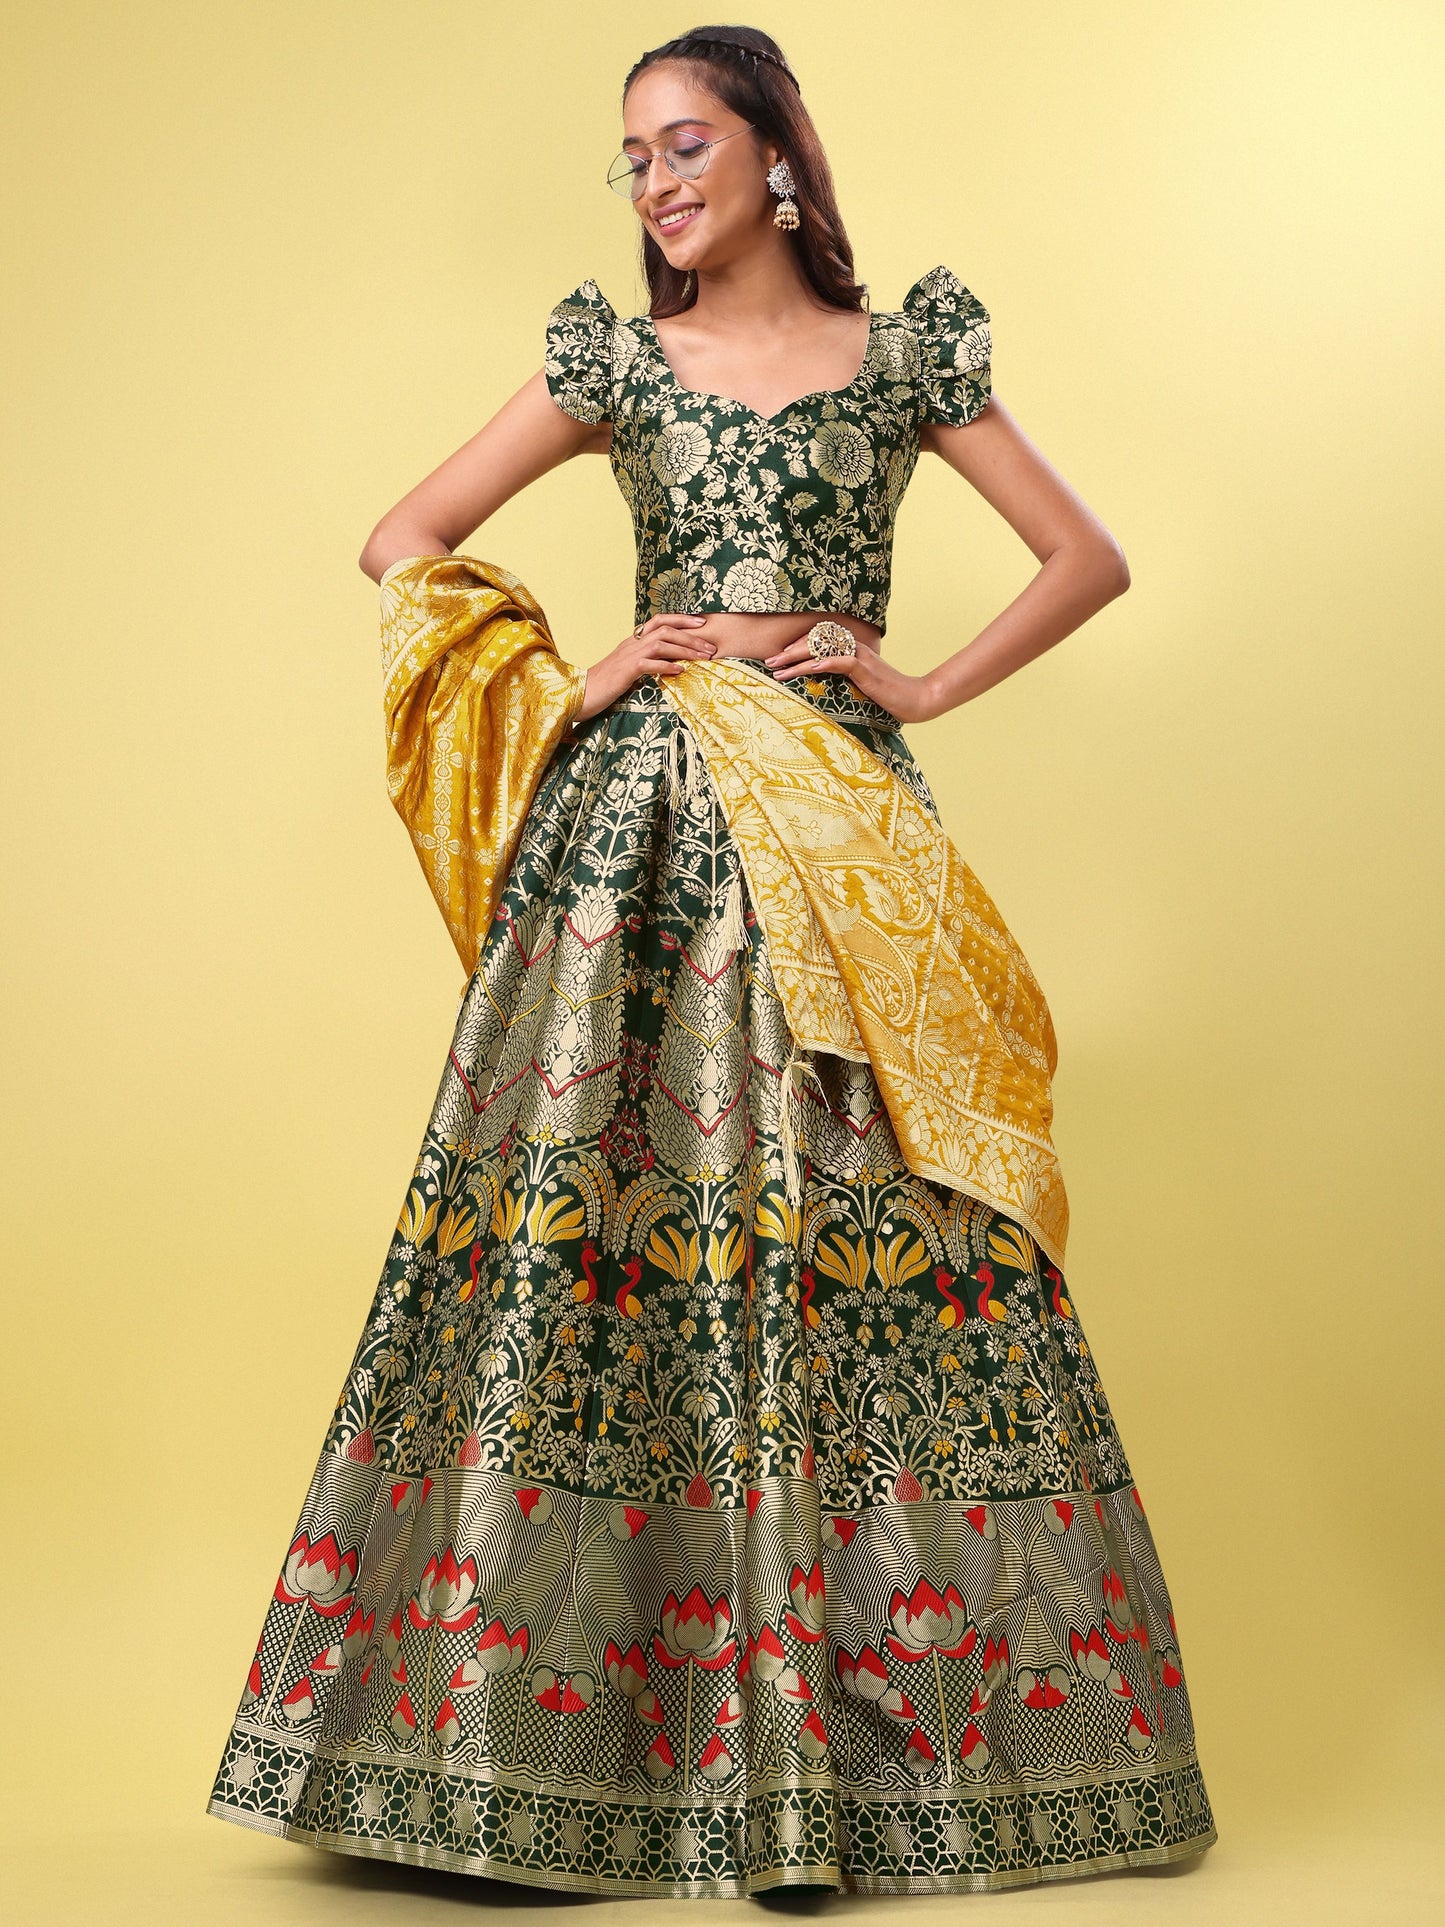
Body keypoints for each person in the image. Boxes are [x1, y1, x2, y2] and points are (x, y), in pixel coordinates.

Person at [206, 23, 1216, 1898]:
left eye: (685, 144)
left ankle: (885, 1775)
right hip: (643, 833)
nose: (656, 181)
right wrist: (578, 670)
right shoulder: (620, 361)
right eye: (635, 156)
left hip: (840, 825)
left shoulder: (902, 357)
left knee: (890, 1224)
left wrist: (918, 682)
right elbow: (403, 537)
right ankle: (516, 1761)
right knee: (596, 1226)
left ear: (776, 156)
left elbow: (1084, 556)